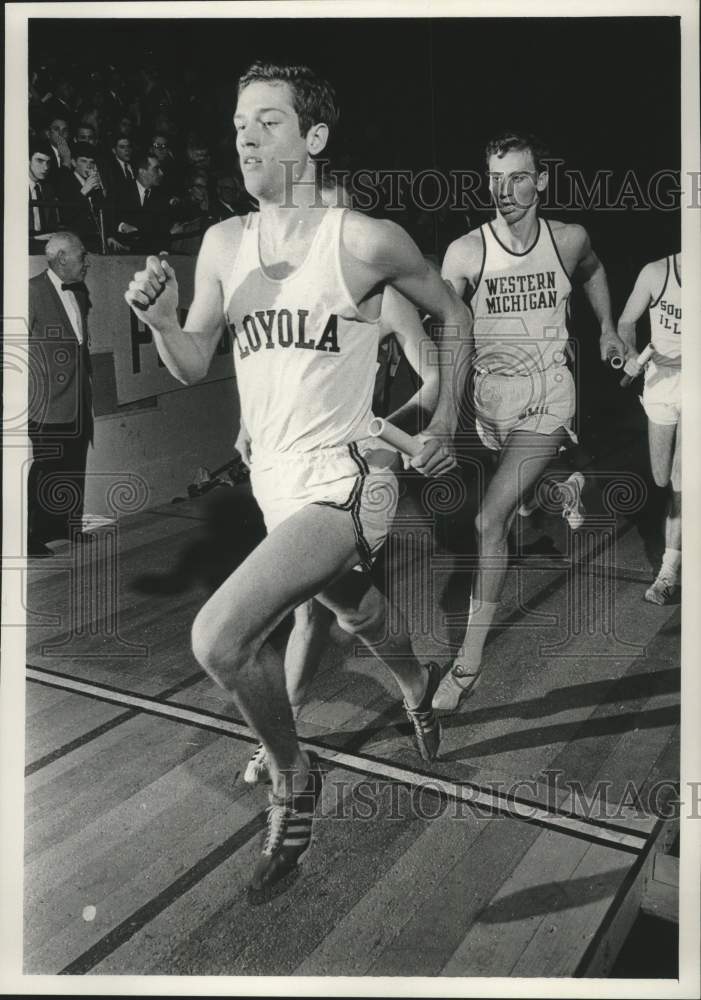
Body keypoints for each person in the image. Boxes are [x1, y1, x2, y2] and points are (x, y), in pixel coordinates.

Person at [125, 61, 471, 902]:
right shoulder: (221, 244)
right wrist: (163, 320)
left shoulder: (361, 239)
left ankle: (293, 777)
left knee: (219, 637)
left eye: (267, 121)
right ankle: (417, 682)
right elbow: (191, 360)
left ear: (313, 137)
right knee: (353, 611)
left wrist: (445, 423)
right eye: (238, 120)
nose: (244, 133)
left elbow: (453, 315)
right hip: (276, 484)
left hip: (352, 479)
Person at [435, 130, 626, 711]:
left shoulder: (568, 239)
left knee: (489, 519)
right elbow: (451, 327)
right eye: (495, 179)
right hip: (490, 398)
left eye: (518, 176)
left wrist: (609, 328)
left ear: (541, 180)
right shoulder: (466, 251)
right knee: (517, 493)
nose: (506, 190)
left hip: (549, 391)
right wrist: (447, 403)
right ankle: (560, 488)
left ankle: (466, 666)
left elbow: (592, 271)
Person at [237, 282, 442, 784]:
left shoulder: (383, 295)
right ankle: (409, 687)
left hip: (355, 471)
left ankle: (413, 684)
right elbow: (277, 374)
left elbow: (434, 379)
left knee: (342, 607)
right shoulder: (284, 289)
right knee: (308, 610)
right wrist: (248, 422)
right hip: (290, 470)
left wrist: (378, 429)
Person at [617, 253, 682, 605]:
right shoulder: (656, 271)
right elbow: (627, 321)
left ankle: (667, 574)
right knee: (661, 478)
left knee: (681, 481)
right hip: (659, 387)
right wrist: (629, 351)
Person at [27, 232, 95, 556]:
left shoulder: (80, 292)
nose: (87, 261)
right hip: (46, 403)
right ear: (62, 258)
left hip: (78, 398)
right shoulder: (31, 290)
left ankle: (69, 525)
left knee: (73, 463)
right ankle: (32, 536)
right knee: (46, 468)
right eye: (82, 256)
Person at [29, 138, 60, 246]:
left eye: (48, 162)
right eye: (39, 161)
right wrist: (34, 238)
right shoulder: (14, 188)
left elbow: (53, 225)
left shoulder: (48, 189)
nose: (45, 167)